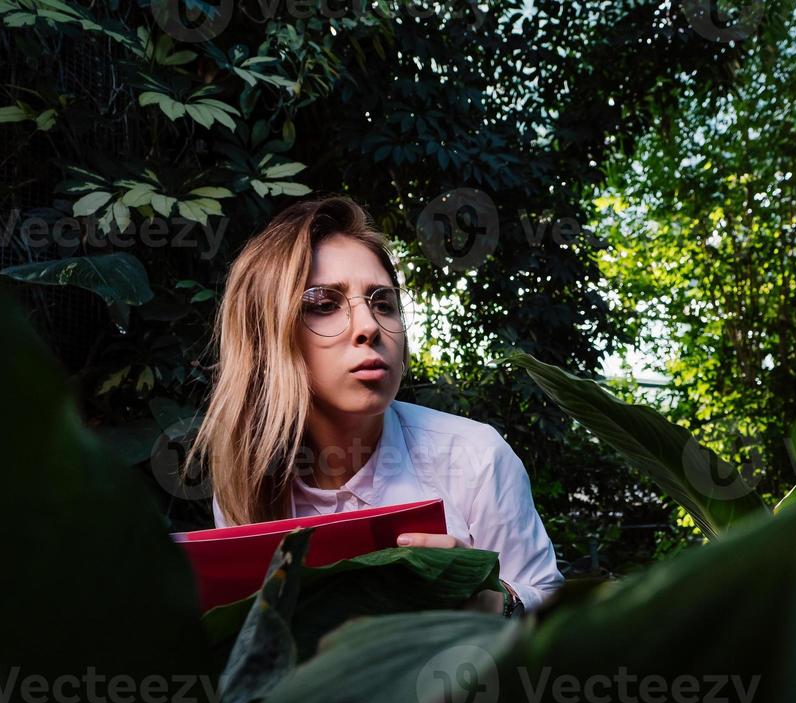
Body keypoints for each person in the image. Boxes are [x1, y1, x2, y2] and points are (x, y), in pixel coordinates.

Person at [185, 195, 564, 615]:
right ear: (267, 336)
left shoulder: (475, 457)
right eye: (324, 305)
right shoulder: (246, 477)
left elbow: (554, 614)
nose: (369, 326)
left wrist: (492, 602)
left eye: (383, 303)